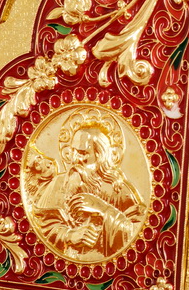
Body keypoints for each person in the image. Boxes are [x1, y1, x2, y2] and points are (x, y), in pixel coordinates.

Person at [26, 111, 146, 261]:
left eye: (83, 153)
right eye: (73, 151)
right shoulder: (59, 183)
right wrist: (69, 235)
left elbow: (137, 234)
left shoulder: (118, 190)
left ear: (100, 156)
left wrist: (103, 210)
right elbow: (41, 224)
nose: (76, 159)